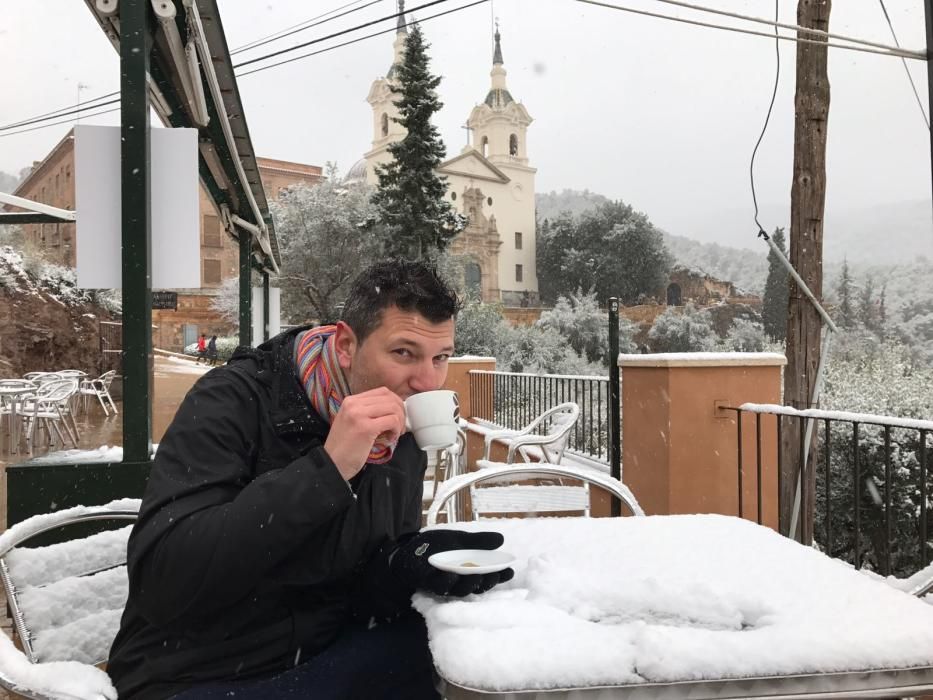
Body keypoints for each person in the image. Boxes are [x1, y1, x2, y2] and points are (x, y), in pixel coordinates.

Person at [108, 261, 513, 699]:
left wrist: (401, 563)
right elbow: (163, 581)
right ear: (345, 345)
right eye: (404, 353)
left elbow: (350, 584)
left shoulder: (401, 432)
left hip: (325, 656)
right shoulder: (233, 400)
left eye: (441, 358)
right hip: (198, 673)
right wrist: (329, 468)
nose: (426, 380)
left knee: (471, 661)